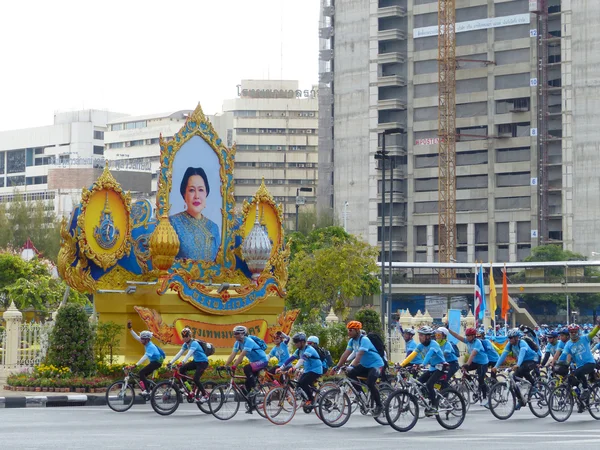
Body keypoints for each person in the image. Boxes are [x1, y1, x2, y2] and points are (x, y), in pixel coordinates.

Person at [335, 321, 385, 417]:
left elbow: (359, 355)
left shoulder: (364, 340)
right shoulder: (352, 341)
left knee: (370, 383)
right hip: (365, 365)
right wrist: (337, 366)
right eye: (348, 330)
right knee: (350, 374)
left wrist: (352, 366)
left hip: (376, 365)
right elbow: (345, 354)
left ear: (357, 330)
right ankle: (360, 394)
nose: (348, 332)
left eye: (351, 330)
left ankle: (379, 405)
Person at [170, 166, 220, 261]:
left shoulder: (214, 228)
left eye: (201, 190)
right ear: (184, 194)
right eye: (191, 190)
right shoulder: (173, 223)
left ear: (206, 193)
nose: (197, 196)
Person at [400, 326, 447, 415]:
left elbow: (429, 354)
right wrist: (401, 365)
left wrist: (422, 364)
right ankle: (429, 397)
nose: (419, 337)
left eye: (422, 335)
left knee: (429, 384)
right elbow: (412, 355)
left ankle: (434, 406)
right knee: (418, 382)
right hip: (433, 368)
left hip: (441, 367)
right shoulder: (420, 345)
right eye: (419, 335)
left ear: (428, 336)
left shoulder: (434, 344)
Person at [222, 325, 269, 414]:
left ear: (242, 334)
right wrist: (225, 365)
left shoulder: (249, 341)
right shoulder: (237, 343)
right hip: (255, 363)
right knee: (247, 384)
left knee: (247, 368)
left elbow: (242, 355)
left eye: (236, 333)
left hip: (262, 361)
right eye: (234, 333)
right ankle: (252, 405)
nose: (234, 335)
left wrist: (234, 366)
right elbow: (233, 355)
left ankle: (255, 388)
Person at [492, 328, 538, 409]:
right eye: (508, 338)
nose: (509, 340)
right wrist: (496, 366)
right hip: (523, 362)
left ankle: (535, 386)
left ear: (516, 337)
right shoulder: (509, 345)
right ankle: (521, 401)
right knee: (513, 381)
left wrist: (518, 364)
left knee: (522, 369)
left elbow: (521, 354)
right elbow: (503, 356)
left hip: (532, 360)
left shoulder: (522, 343)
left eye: (511, 338)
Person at [448, 326, 489, 407]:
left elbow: (473, 355)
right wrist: (448, 330)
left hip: (483, 362)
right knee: (464, 370)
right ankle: (471, 383)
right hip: (474, 362)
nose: (467, 337)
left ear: (473, 336)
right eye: (466, 335)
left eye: (468, 336)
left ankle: (485, 398)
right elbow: (457, 336)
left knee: (481, 379)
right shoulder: (467, 341)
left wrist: (467, 364)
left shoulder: (478, 343)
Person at [277, 333, 323, 406]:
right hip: (308, 370)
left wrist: (294, 368)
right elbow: (290, 359)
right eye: (295, 342)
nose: (295, 344)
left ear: (302, 342)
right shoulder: (299, 350)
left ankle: (311, 400)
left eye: (297, 342)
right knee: (299, 384)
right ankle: (308, 398)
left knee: (303, 383)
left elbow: (302, 360)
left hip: (316, 370)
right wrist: (281, 367)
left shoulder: (309, 349)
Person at [561, 321, 600, 406]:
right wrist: (558, 363)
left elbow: (593, 333)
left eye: (575, 331)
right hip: (579, 366)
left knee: (579, 372)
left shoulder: (585, 338)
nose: (573, 333)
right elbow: (563, 355)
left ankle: (586, 390)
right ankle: (581, 403)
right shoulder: (568, 344)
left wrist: (598, 326)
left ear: (578, 332)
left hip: (590, 363)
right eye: (571, 332)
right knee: (571, 380)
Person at [168, 327, 209, 403]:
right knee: (182, 369)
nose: (185, 338)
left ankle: (205, 396)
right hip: (196, 361)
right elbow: (180, 353)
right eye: (183, 337)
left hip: (203, 362)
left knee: (196, 379)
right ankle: (188, 388)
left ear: (190, 336)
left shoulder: (194, 343)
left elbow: (189, 353)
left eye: (186, 336)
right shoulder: (186, 344)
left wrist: (182, 362)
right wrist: (171, 362)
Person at [127, 320, 164, 396]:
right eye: (141, 338)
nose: (141, 340)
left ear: (147, 339)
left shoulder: (150, 347)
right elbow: (136, 337)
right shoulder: (146, 342)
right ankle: (153, 388)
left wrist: (135, 365)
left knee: (141, 372)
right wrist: (130, 329)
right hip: (154, 362)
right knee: (143, 375)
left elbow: (145, 357)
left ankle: (147, 391)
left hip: (157, 362)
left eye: (142, 339)